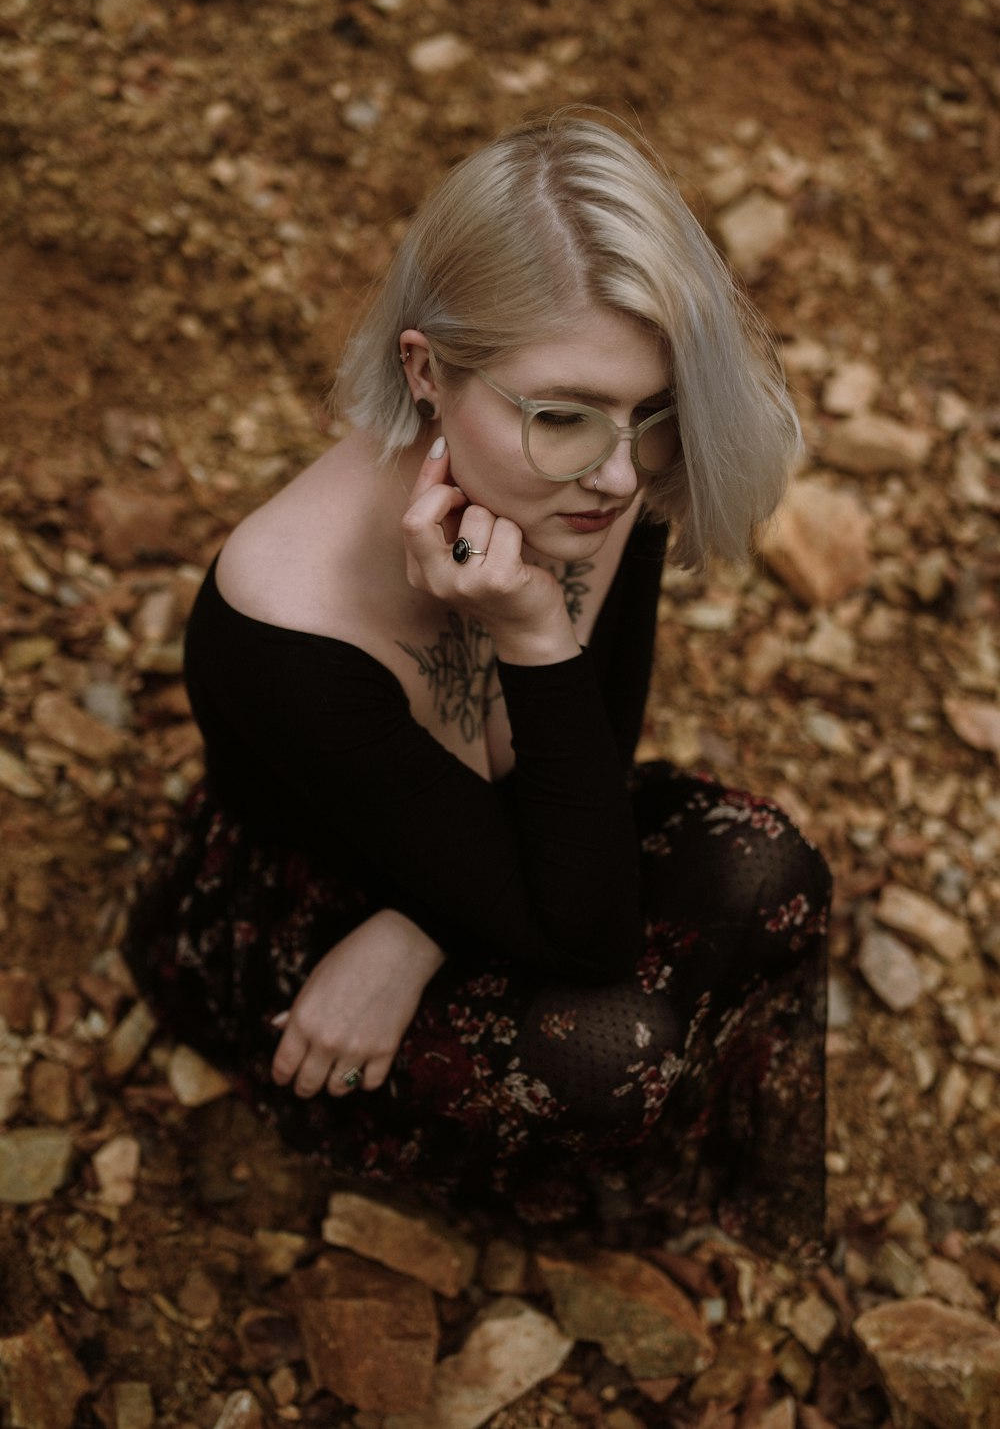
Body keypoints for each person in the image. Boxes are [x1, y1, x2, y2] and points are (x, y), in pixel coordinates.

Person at [125, 112, 831, 1258]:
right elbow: (591, 937)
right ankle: (482, 1206)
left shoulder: (604, 475)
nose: (616, 471)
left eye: (650, 412)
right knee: (614, 1052)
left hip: (488, 855)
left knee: (772, 866)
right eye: (558, 416)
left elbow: (595, 750)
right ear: (426, 372)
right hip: (315, 923)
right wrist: (532, 635)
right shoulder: (286, 628)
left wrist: (422, 929)